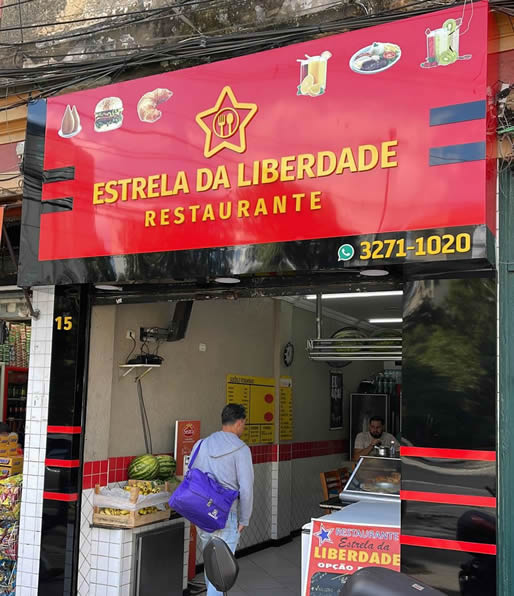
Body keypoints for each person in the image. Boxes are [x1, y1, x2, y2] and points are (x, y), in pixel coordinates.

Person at [191, 403, 254, 596]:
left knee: (211, 565)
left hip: (201, 513)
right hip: (225, 515)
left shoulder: (200, 444)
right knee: (221, 573)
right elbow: (246, 488)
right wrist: (244, 519)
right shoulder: (241, 449)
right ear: (239, 423)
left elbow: (191, 476)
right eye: (244, 424)